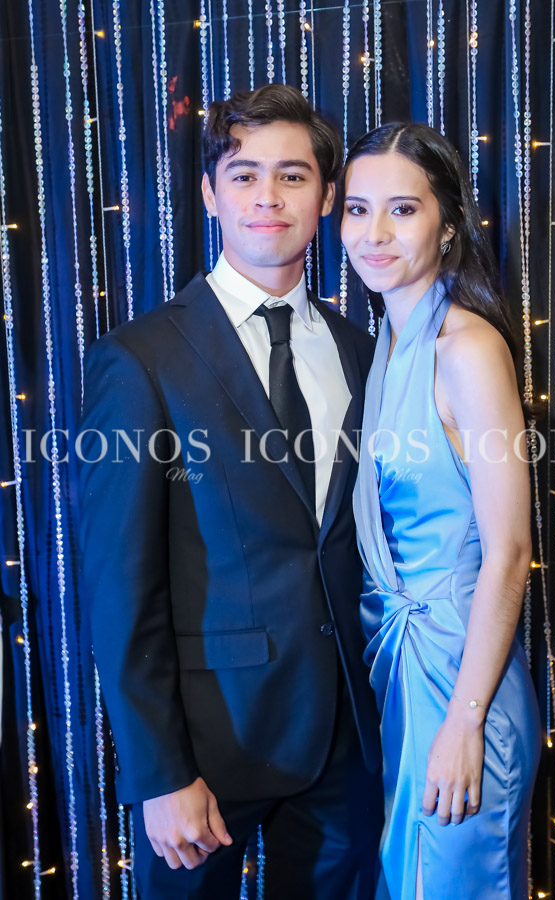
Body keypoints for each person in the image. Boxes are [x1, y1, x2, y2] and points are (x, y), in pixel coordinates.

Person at [77, 83, 383, 900]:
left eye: (292, 175)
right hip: (206, 751)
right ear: (211, 195)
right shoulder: (140, 360)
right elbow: (118, 585)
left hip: (346, 746)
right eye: (243, 175)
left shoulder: (362, 351)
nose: (267, 197)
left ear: (326, 197)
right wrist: (159, 773)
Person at [340, 122, 542, 899]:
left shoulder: (467, 349)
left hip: (462, 682)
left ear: (447, 226)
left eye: (402, 209)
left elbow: (510, 552)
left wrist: (463, 721)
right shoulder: (386, 348)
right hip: (402, 675)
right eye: (357, 210)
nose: (374, 234)